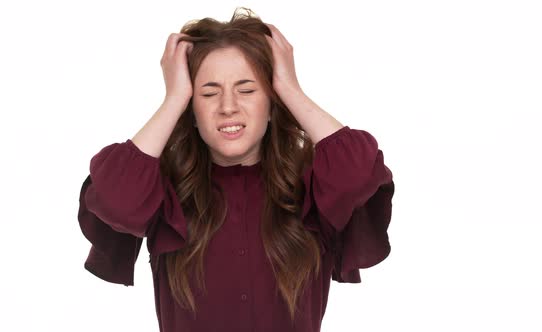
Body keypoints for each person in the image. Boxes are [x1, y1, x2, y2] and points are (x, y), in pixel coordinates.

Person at [77, 7, 395, 332]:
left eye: (247, 90)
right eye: (209, 93)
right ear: (191, 109)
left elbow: (359, 173)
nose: (228, 106)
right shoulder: (164, 192)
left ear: (272, 103)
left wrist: (290, 88)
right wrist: (174, 98)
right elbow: (113, 198)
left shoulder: (314, 188)